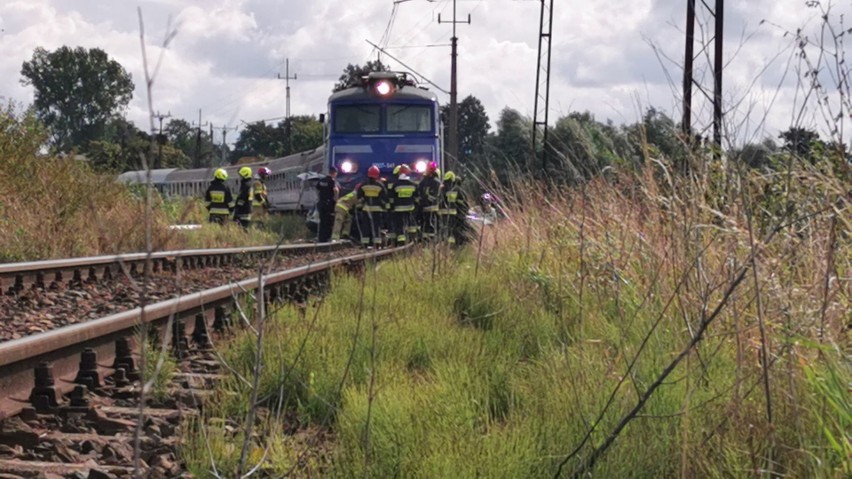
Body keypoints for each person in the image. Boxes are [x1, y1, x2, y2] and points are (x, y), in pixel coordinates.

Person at [356, 165, 387, 248]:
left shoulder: (363, 185)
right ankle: (376, 244)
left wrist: (360, 207)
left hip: (366, 209)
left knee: (366, 226)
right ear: (377, 175)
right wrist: (384, 208)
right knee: (376, 226)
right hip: (377, 210)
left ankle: (365, 244)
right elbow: (384, 198)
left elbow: (359, 197)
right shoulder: (380, 186)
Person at [390, 164, 416, 245]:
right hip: (410, 208)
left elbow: (391, 198)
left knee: (399, 225)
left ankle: (401, 241)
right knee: (411, 224)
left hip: (398, 209)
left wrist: (391, 207)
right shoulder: (413, 184)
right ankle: (412, 239)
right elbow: (416, 197)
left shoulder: (396, 184)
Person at [416, 161, 442, 240]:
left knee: (431, 225)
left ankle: (431, 241)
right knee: (425, 225)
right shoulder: (424, 181)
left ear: (431, 170)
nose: (425, 170)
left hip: (432, 208)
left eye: (427, 169)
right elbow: (419, 191)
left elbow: (435, 196)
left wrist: (425, 198)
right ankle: (425, 241)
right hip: (425, 207)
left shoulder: (436, 182)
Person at [315, 166, 339, 242]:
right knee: (328, 221)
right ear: (334, 173)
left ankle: (321, 238)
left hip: (321, 203)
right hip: (329, 204)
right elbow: (335, 191)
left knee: (322, 221)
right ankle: (327, 238)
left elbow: (317, 189)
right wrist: (336, 200)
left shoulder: (321, 180)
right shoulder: (332, 181)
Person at [440, 171, 460, 244]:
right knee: (451, 228)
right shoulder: (456, 189)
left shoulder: (441, 188)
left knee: (444, 228)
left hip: (443, 212)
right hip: (452, 212)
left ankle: (444, 241)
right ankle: (451, 244)